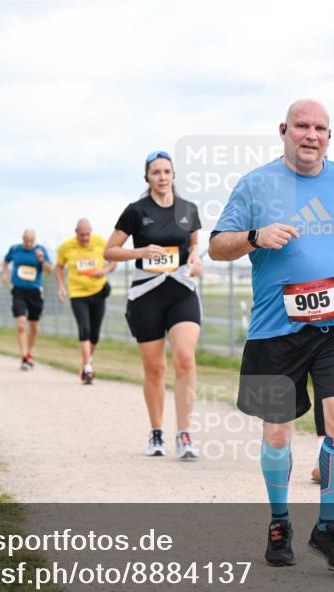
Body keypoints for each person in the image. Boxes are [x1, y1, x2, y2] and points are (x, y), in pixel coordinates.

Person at [208, 99, 334, 573]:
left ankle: (327, 527)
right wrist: (255, 237)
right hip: (275, 329)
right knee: (278, 434)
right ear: (283, 130)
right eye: (301, 126)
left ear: (330, 136)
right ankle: (280, 520)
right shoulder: (255, 184)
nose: (311, 134)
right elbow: (217, 245)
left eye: (320, 128)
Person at [104, 150, 203, 459]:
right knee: (155, 368)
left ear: (174, 175)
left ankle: (184, 434)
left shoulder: (188, 209)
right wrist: (141, 252)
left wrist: (196, 258)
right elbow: (110, 251)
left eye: (167, 172)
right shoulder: (136, 211)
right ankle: (156, 433)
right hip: (146, 294)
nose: (162, 177)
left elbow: (195, 243)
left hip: (181, 290)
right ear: (147, 177)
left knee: (185, 359)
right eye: (156, 172)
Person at [56, 218, 115, 384]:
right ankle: (88, 368)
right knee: (84, 329)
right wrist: (61, 286)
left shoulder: (100, 242)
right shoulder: (66, 247)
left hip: (98, 291)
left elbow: (113, 261)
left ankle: (85, 361)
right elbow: (59, 267)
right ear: (76, 232)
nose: (86, 238)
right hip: (77, 293)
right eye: (82, 235)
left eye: (88, 234)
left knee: (95, 335)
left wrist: (105, 270)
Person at [2, 229, 53, 370]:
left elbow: (49, 269)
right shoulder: (15, 249)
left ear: (34, 240)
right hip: (18, 290)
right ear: (22, 239)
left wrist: (42, 259)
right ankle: (24, 356)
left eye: (31, 241)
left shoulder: (40, 250)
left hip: (35, 291)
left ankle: (29, 353)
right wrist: (5, 274)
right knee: (21, 324)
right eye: (26, 240)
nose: (29, 243)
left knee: (34, 327)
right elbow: (5, 262)